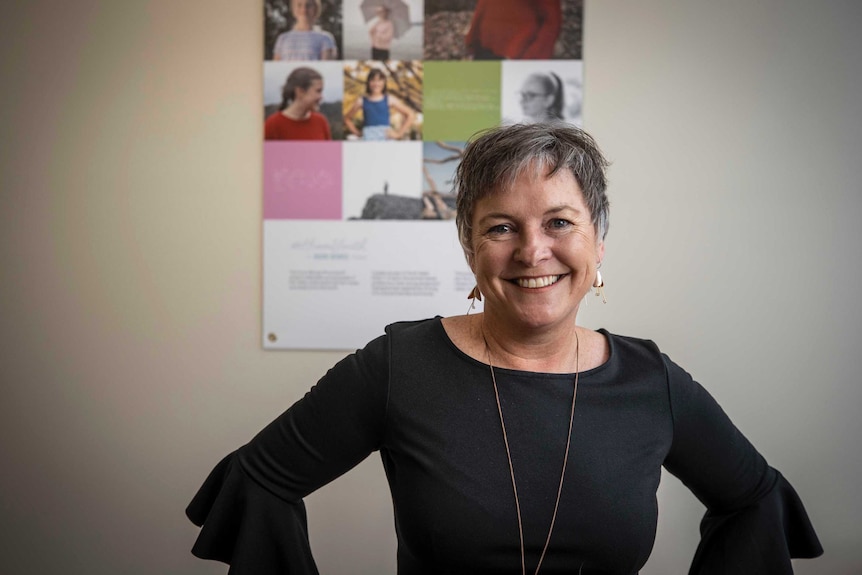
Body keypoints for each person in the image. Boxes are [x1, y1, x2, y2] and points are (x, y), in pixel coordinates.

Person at [187, 123, 823, 573]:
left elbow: (756, 503)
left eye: (559, 222)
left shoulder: (652, 383)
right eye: (500, 227)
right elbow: (256, 483)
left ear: (598, 243)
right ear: (470, 250)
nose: (532, 251)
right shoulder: (397, 369)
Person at [465, 0, 562, 60]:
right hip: (484, 47)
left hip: (516, 54)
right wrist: (472, 37)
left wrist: (532, 58)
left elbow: (551, 23)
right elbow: (484, 4)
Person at [344, 68, 415, 141]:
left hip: (386, 138)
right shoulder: (361, 101)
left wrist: (399, 134)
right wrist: (357, 133)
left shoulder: (389, 99)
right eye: (373, 80)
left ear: (384, 82)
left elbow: (410, 114)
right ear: (368, 82)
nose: (376, 84)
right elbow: (346, 118)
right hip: (368, 138)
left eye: (379, 80)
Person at [264, 67, 332, 140]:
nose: (321, 97)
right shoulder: (273, 125)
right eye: (318, 91)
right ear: (300, 92)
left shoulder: (321, 121)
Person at [272, 0, 337, 61]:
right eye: (299, 5)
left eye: (308, 5)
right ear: (293, 9)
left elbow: (325, 69)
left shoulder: (325, 38)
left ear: (316, 9)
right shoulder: (282, 39)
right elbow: (276, 69)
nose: (304, 9)